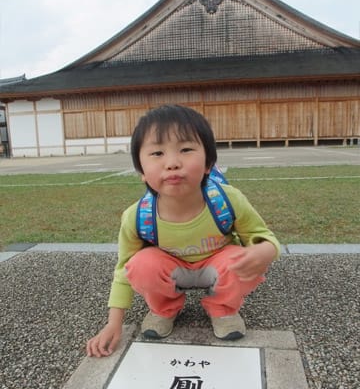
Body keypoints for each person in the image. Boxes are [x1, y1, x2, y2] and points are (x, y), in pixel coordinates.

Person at [87, 104, 280, 358]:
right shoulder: (137, 216)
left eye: (186, 149)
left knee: (237, 258)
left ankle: (222, 308)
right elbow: (123, 269)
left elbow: (264, 238)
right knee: (140, 264)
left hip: (217, 267)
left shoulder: (227, 200)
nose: (173, 163)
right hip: (171, 270)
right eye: (157, 153)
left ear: (209, 162)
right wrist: (114, 322)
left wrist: (265, 251)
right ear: (141, 172)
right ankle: (165, 308)